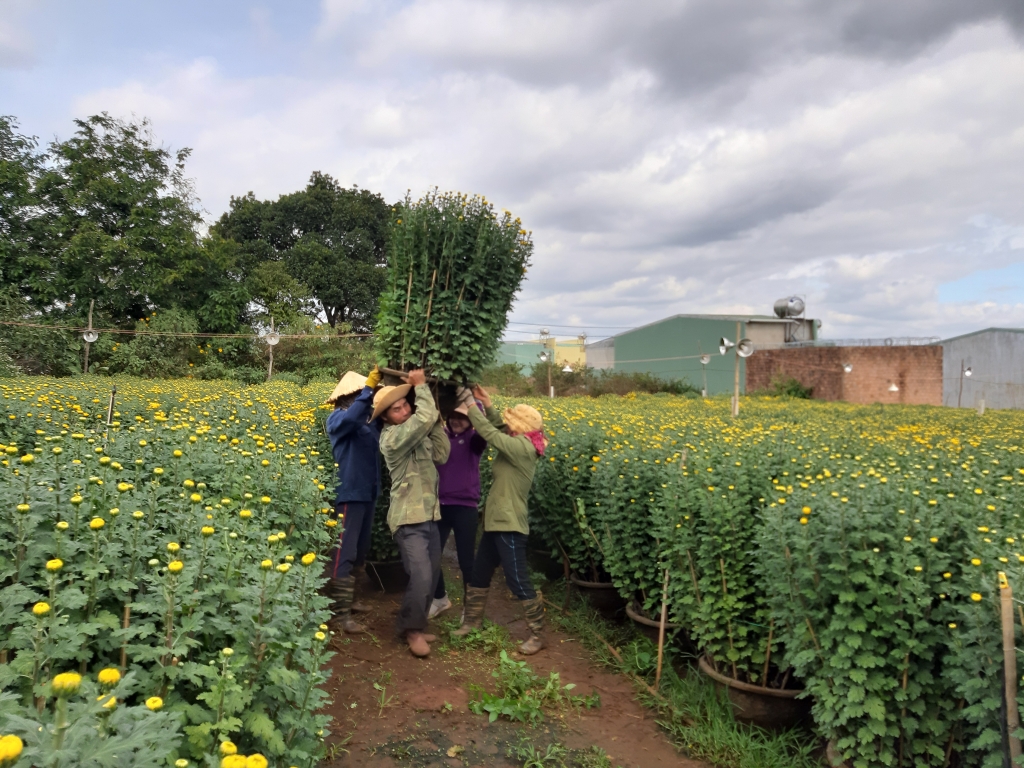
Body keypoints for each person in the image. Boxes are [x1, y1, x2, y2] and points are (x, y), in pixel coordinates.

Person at [451, 385, 548, 655]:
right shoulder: (520, 441)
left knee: (517, 580)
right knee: (480, 574)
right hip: (495, 522)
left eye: (512, 423)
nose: (508, 426)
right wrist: (488, 404)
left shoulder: (524, 448)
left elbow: (491, 433)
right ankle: (471, 623)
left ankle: (538, 634)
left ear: (520, 429)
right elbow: (498, 428)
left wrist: (470, 405)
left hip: (510, 525)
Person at [374, 369, 450, 657]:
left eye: (405, 405)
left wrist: (436, 421)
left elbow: (441, 454)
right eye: (396, 409)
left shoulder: (416, 432)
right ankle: (411, 630)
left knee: (429, 575)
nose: (404, 410)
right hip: (407, 518)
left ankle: (417, 623)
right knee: (419, 575)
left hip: (429, 514)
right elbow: (422, 420)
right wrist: (421, 388)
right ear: (385, 417)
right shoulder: (392, 438)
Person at [324, 367, 383, 634]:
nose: (367, 399)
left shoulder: (368, 423)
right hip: (349, 494)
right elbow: (352, 419)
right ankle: (339, 614)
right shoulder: (337, 419)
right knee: (343, 553)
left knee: (361, 549)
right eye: (361, 394)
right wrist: (369, 389)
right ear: (349, 397)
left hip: (367, 493)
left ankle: (352, 599)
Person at [428, 401, 489, 619]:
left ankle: (470, 608)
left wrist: (477, 407)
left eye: (462, 417)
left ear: (472, 421)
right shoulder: (441, 436)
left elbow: (485, 432)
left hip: (465, 507)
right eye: (453, 415)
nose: (456, 420)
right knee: (432, 555)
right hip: (440, 505)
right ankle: (439, 598)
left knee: (466, 560)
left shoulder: (474, 440)